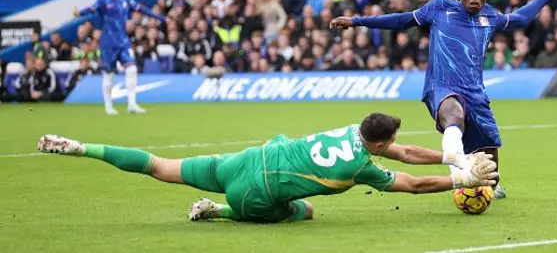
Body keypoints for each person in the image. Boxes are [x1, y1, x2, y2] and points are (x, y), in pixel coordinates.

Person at [330, 0, 557, 200]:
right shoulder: (439, 8)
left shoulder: (490, 16)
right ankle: (458, 174)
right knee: (453, 112)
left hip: (474, 91)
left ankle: (488, 186)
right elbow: (402, 20)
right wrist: (356, 21)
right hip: (440, 85)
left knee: (489, 153)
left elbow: (522, 17)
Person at [37, 112, 497, 223]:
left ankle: (83, 148)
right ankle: (218, 213)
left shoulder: (346, 131)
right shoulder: (362, 168)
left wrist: (454, 157)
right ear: (379, 142)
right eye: (389, 142)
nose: (393, 146)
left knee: (158, 166)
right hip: (252, 195)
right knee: (307, 213)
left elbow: (407, 154)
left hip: (242, 160)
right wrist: (461, 178)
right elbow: (412, 183)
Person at [74, 0, 166, 115]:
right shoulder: (103, 0)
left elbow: (142, 9)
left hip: (123, 41)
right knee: (109, 75)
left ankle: (132, 104)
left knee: (132, 69)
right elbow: (92, 9)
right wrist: (79, 12)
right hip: (108, 43)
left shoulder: (126, 0)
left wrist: (161, 18)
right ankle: (109, 105)